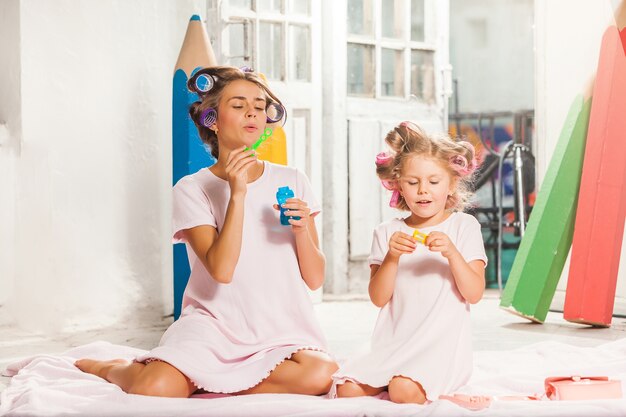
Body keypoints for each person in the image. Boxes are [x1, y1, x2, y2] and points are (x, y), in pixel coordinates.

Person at [75, 66, 337, 398]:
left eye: (259, 105)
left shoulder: (293, 179)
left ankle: (207, 380)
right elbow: (221, 270)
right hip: (213, 326)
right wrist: (238, 194)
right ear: (212, 119)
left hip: (280, 329)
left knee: (321, 374)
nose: (252, 113)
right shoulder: (192, 188)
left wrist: (301, 231)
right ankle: (112, 367)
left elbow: (315, 279)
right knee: (153, 387)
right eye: (239, 105)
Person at [332, 121, 487, 404]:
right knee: (346, 389)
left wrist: (452, 253)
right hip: (394, 344)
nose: (423, 191)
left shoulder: (463, 226)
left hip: (439, 347)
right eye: (413, 183)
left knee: (403, 390)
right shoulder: (387, 232)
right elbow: (379, 299)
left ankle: (447, 396)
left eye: (433, 181)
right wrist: (391, 258)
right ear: (398, 185)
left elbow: (474, 293)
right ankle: (395, 380)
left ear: (452, 182)